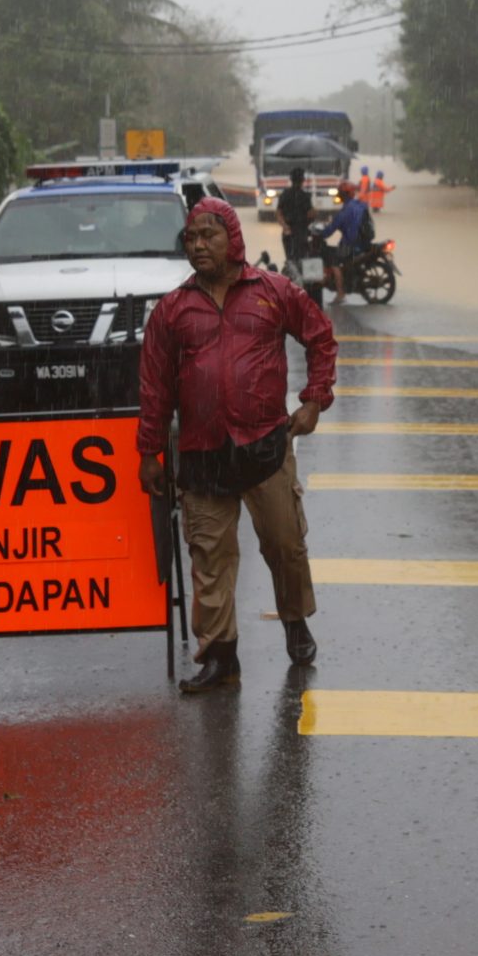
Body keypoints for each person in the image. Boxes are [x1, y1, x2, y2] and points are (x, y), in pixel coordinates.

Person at [138, 197, 338, 693]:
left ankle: (295, 621)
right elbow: (155, 387)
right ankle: (220, 655)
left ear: (234, 239)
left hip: (265, 446)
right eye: (191, 237)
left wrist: (314, 400)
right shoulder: (172, 310)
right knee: (210, 555)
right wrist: (149, 452)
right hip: (201, 454)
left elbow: (320, 337)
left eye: (209, 235)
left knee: (285, 544)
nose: (199, 245)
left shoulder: (274, 291)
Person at [318, 179, 376, 303]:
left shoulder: (344, 212)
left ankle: (340, 293)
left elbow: (330, 230)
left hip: (352, 245)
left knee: (334, 262)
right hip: (364, 243)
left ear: (342, 196)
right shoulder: (360, 205)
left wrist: (321, 234)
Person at [278, 167, 315, 283]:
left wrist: (285, 227)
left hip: (288, 233)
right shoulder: (305, 196)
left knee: (290, 259)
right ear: (303, 180)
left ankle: (293, 281)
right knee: (302, 259)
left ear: (291, 179)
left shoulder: (285, 194)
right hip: (302, 232)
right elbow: (311, 215)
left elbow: (278, 213)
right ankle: (301, 282)